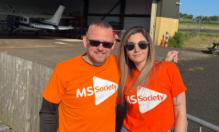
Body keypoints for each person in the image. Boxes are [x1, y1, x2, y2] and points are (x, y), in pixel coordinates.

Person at [39, 21, 178, 132]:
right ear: (85, 41)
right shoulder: (64, 69)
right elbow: (47, 112)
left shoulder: (117, 64)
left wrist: (164, 63)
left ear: (112, 45)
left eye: (106, 44)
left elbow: (142, 63)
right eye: (94, 42)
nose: (101, 48)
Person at [116, 26, 187, 132]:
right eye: (130, 46)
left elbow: (180, 113)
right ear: (125, 50)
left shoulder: (168, 69)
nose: (136, 49)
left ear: (149, 47)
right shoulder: (122, 75)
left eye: (142, 44)